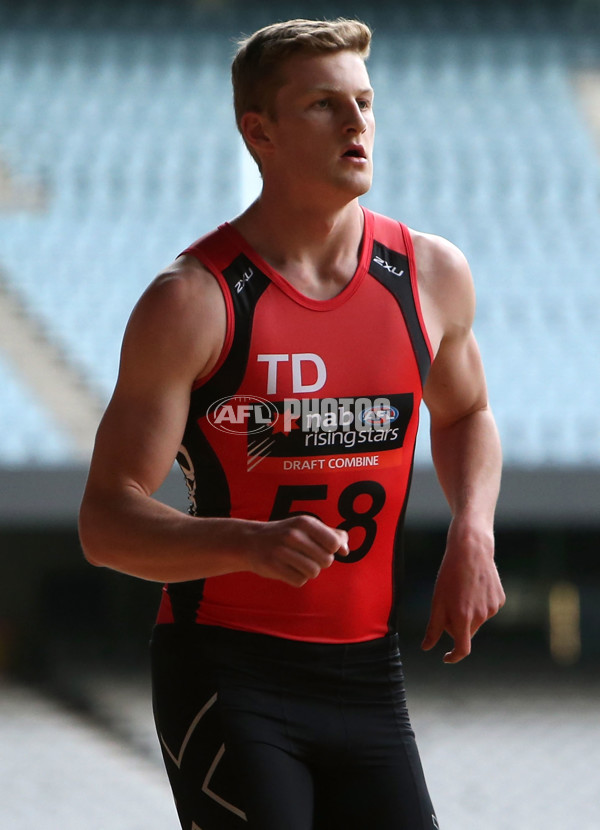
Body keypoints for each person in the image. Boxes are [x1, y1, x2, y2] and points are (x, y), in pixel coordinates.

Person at [79, 17, 505, 830]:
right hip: (229, 673)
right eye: (323, 105)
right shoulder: (194, 301)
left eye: (365, 103)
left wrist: (472, 534)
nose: (356, 125)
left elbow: (469, 414)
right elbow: (106, 522)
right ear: (259, 131)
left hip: (369, 676)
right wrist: (247, 542)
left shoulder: (430, 275)